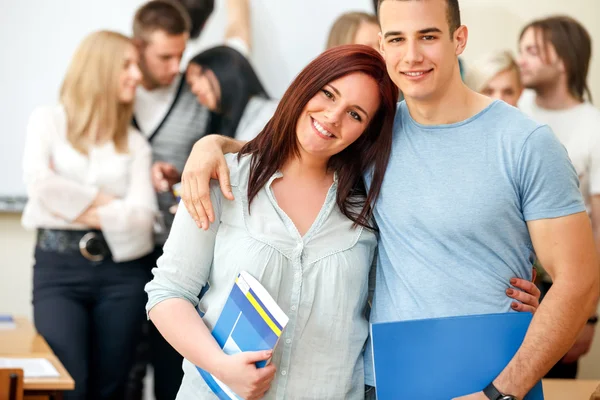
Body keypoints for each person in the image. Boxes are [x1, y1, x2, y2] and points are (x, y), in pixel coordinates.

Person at [180, 1, 599, 399]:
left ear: (460, 39)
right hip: (380, 381)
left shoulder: (525, 143)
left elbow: (579, 281)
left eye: (429, 36)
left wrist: (501, 392)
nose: (412, 55)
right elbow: (297, 152)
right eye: (397, 38)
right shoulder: (371, 134)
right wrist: (213, 146)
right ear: (382, 46)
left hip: (489, 377)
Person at [146, 44, 399, 399]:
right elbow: (168, 293)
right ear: (306, 86)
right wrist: (220, 367)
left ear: (367, 132)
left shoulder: (371, 208)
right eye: (328, 94)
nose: (332, 116)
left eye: (355, 114)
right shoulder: (224, 178)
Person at [21, 30, 156, 400]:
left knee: (111, 389)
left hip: (123, 274)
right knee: (69, 386)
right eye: (127, 65)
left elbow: (144, 220)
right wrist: (110, 202)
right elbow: (40, 186)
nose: (137, 76)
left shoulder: (136, 144)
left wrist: (67, 205)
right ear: (100, 67)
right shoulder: (47, 121)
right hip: (58, 270)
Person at [128, 1, 214, 398]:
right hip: (122, 254)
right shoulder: (117, 91)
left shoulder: (196, 93)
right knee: (122, 369)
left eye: (181, 55)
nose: (175, 66)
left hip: (176, 254)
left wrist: (179, 174)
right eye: (164, 56)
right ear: (138, 47)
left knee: (170, 368)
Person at [517, 15, 600, 379]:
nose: (521, 60)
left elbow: (598, 230)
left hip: (561, 286)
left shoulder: (593, 126)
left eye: (532, 51)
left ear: (563, 59)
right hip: (511, 284)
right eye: (521, 50)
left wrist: (588, 312)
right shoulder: (511, 112)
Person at [186, 46, 277, 142]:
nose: (194, 89)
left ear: (224, 68)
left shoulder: (271, 113)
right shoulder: (221, 126)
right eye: (191, 84)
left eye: (200, 74)